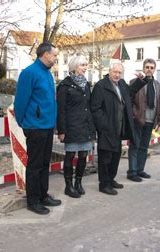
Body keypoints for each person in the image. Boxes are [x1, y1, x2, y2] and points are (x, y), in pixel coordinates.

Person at [14, 42, 62, 215]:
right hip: (35, 127)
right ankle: (32, 201)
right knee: (34, 165)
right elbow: (21, 101)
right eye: (54, 55)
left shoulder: (48, 74)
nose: (56, 58)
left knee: (44, 163)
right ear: (45, 54)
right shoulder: (29, 73)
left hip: (47, 126)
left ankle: (43, 195)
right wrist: (23, 122)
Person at [90, 62, 147, 195]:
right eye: (115, 72)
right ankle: (104, 184)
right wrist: (104, 125)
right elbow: (95, 109)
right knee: (105, 158)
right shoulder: (101, 86)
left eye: (119, 73)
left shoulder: (121, 84)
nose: (117, 75)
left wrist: (141, 80)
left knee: (116, 156)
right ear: (109, 71)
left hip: (119, 128)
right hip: (107, 129)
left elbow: (130, 92)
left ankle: (111, 180)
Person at [57, 55, 96, 198]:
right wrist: (61, 130)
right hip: (71, 126)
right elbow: (60, 110)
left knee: (84, 155)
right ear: (74, 67)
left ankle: (78, 183)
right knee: (70, 155)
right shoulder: (65, 85)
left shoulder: (86, 84)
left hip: (85, 126)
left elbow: (88, 107)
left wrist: (92, 128)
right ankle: (69, 186)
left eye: (86, 65)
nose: (85, 68)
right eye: (82, 65)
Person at [127, 58, 160, 182]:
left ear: (154, 70)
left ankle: (140, 170)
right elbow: (129, 101)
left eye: (151, 67)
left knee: (143, 147)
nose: (149, 69)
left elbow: (159, 103)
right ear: (143, 68)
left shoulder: (157, 85)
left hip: (150, 121)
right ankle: (132, 172)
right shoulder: (135, 82)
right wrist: (132, 116)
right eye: (147, 67)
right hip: (138, 119)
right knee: (134, 145)